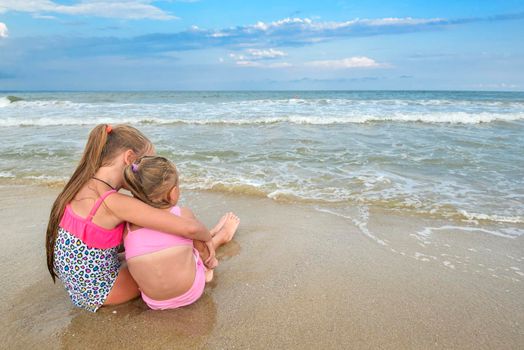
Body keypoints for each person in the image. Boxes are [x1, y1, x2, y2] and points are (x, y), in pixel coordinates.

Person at [46, 124, 215, 312]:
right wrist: (207, 236)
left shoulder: (82, 185)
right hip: (104, 292)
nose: (146, 175)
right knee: (172, 249)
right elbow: (186, 227)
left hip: (80, 288)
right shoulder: (114, 202)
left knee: (151, 244)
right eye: (142, 165)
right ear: (129, 158)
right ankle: (217, 239)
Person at [122, 156, 239, 310]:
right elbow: (203, 252)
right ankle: (221, 237)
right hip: (190, 293)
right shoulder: (182, 214)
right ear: (173, 192)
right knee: (194, 244)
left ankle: (211, 232)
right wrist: (210, 264)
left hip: (154, 302)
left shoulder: (127, 227)